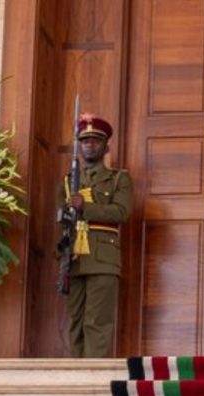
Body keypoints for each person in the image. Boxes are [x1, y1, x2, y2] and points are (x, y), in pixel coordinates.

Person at [60, 115, 132, 357]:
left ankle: (93, 376)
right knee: (77, 321)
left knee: (97, 323)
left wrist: (85, 207)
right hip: (76, 257)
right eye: (85, 141)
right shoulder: (69, 181)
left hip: (102, 259)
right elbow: (64, 222)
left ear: (106, 146)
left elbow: (121, 212)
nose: (89, 145)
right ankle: (77, 377)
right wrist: (61, 254)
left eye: (95, 141)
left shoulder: (119, 178)